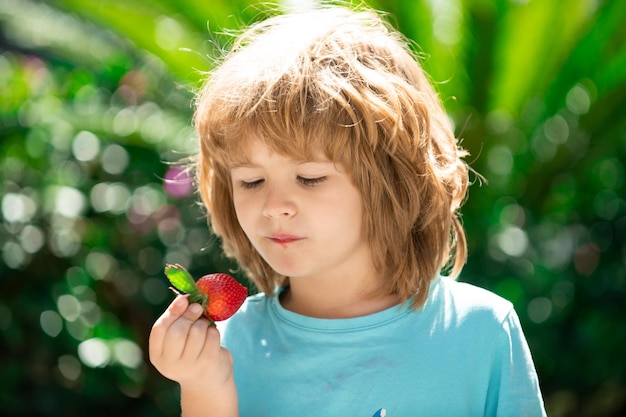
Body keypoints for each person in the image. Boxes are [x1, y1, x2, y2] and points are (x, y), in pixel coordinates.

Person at [149, 5, 547, 417]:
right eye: (251, 181)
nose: (275, 207)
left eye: (310, 178)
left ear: (392, 179)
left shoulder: (480, 331)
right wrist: (202, 390)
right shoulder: (221, 348)